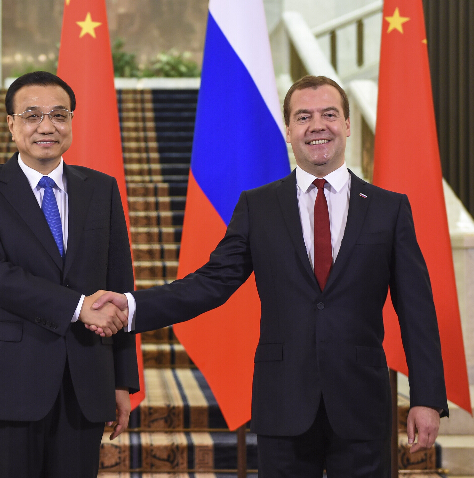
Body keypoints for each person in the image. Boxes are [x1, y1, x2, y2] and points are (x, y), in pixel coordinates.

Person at [82, 76, 448, 477]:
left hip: (362, 403)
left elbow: (417, 311)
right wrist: (132, 305)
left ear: (347, 124)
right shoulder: (258, 206)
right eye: (303, 117)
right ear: (288, 130)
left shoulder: (389, 209)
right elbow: (211, 282)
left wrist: (427, 397)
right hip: (284, 403)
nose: (317, 126)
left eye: (329, 114)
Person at [0, 70, 138, 478]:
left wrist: (122, 380)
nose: (46, 126)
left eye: (58, 114)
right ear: (11, 124)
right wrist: (78, 307)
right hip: (9, 379)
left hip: (86, 379)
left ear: (71, 121)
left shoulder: (101, 188)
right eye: (32, 115)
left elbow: (119, 287)